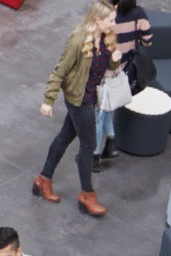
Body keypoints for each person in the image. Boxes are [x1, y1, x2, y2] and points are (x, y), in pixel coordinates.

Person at [32, 0, 122, 216]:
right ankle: (86, 194)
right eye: (110, 21)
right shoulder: (78, 40)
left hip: (90, 98)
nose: (114, 24)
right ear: (97, 20)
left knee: (64, 137)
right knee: (88, 145)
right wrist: (48, 100)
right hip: (78, 99)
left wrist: (115, 61)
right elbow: (59, 71)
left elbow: (105, 67)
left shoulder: (106, 39)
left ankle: (42, 180)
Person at [92, 0, 153, 173]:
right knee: (107, 106)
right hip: (124, 69)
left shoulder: (108, 16)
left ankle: (94, 155)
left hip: (104, 70)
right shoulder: (139, 13)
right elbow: (148, 40)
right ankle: (111, 142)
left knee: (98, 111)